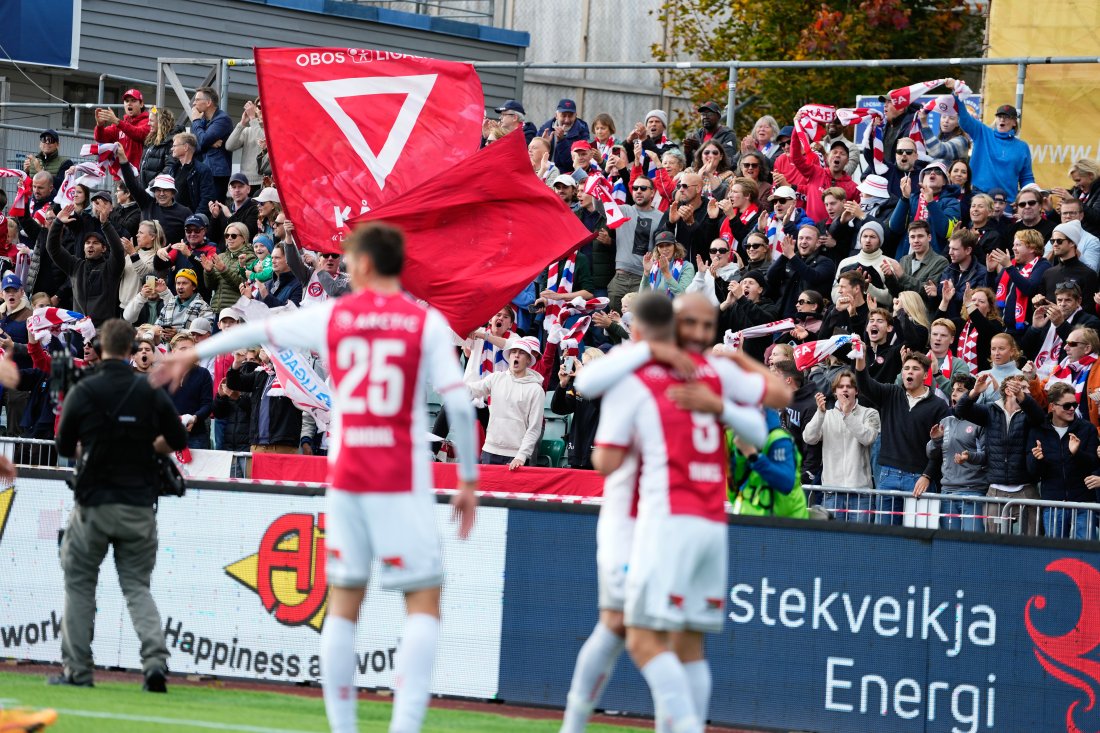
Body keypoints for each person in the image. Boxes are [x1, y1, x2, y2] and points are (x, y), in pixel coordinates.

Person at [159, 221, 480, 733]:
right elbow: (459, 403)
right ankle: (405, 727)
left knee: (344, 607)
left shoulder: (337, 315)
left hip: (350, 472)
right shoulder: (426, 324)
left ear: (368, 264)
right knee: (422, 606)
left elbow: (258, 331)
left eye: (350, 259)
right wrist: (467, 479)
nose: (344, 267)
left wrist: (195, 352)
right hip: (401, 472)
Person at [572, 292, 777, 733]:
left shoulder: (641, 376)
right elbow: (767, 413)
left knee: (632, 631)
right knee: (646, 633)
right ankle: (576, 724)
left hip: (656, 517)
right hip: (683, 518)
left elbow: (602, 449)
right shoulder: (711, 374)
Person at [50, 318, 187, 691]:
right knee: (137, 587)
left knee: (79, 585)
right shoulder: (150, 390)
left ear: (101, 347)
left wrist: (92, 448)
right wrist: (145, 448)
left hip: (94, 501)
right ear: (131, 350)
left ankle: (77, 671)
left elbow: (64, 447)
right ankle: (155, 663)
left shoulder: (85, 389)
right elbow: (176, 437)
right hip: (139, 503)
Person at [855, 350, 950, 525]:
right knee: (886, 538)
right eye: (906, 368)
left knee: (919, 539)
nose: (909, 372)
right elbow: (865, 384)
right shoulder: (891, 393)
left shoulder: (939, 406)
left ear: (925, 374)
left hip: (920, 479)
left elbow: (944, 446)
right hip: (888, 475)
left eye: (915, 369)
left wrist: (928, 475)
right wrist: (860, 360)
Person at [804, 370, 880, 521]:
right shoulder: (826, 415)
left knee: (860, 541)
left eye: (849, 386)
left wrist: (847, 416)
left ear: (856, 391)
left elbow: (868, 438)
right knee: (832, 543)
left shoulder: (870, 413)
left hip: (861, 494)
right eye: (840, 386)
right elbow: (809, 438)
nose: (845, 389)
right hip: (832, 493)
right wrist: (820, 413)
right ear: (835, 392)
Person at [1028, 381, 1099, 540]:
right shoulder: (1038, 431)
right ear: (1052, 406)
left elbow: (1094, 464)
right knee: (1056, 557)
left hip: (1083, 504)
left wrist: (1077, 453)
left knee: (1086, 555)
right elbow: (1033, 472)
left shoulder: (1087, 429)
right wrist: (1037, 459)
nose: (1072, 408)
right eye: (1067, 405)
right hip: (1054, 505)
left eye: (1074, 404)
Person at [919, 375, 987, 532]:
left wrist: (969, 456)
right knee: (950, 547)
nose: (954, 393)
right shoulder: (945, 421)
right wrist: (935, 440)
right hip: (947, 492)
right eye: (953, 390)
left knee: (973, 545)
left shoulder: (980, 421)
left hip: (973, 492)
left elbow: (986, 456)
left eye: (960, 390)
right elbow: (931, 454)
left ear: (972, 395)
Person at [466, 337, 545, 469]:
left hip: (516, 456)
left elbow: (534, 428)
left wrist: (522, 455)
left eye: (522, 353)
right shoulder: (496, 378)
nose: (517, 355)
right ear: (509, 356)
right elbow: (471, 390)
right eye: (514, 352)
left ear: (528, 360)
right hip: (489, 450)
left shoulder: (536, 390)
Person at [947, 79, 1034, 198]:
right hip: (978, 196)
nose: (1002, 120)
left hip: (1006, 201)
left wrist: (1025, 199)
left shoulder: (1022, 147)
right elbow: (965, 119)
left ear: (1014, 122)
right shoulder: (982, 132)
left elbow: (1026, 178)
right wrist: (956, 93)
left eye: (1007, 117)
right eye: (999, 116)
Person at [46, 204, 125, 326]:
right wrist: (58, 223)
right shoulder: (75, 266)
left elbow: (118, 250)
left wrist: (105, 224)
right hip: (79, 329)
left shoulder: (111, 268)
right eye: (87, 243)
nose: (90, 245)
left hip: (103, 331)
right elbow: (53, 249)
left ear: (104, 248)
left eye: (95, 243)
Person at [189, 86, 233, 198]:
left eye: (197, 100)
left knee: (214, 208)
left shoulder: (222, 119)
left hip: (216, 173)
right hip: (201, 169)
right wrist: (210, 144)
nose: (194, 103)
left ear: (208, 102)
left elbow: (203, 140)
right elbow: (192, 146)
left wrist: (196, 121)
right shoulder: (201, 120)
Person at [93, 88, 150, 164]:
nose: (129, 103)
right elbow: (100, 138)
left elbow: (139, 134)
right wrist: (100, 125)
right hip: (119, 173)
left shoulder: (148, 122)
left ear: (141, 104)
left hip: (137, 174)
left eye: (133, 101)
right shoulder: (120, 124)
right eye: (127, 101)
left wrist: (117, 122)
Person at [538, 99, 590, 174]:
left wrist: (561, 140)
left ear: (575, 116)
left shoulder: (581, 132)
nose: (567, 120)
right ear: (556, 115)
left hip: (567, 176)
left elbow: (573, 164)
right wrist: (544, 145)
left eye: (570, 116)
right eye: (563, 115)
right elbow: (535, 157)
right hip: (545, 172)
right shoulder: (546, 129)